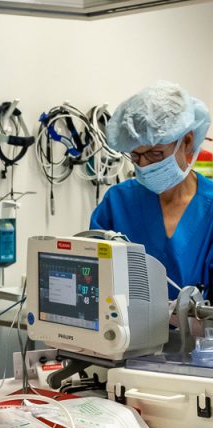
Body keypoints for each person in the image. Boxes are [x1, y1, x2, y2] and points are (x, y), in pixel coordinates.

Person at [90, 81, 213, 298]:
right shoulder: (118, 202)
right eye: (135, 156)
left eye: (155, 154)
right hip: (125, 331)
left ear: (187, 140)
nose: (144, 165)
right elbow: (92, 277)